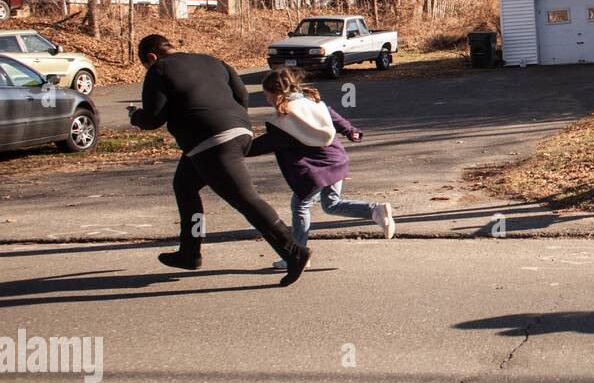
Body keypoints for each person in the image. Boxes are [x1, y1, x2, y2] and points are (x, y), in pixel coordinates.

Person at [128, 34, 311, 286]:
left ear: (151, 57)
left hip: (212, 143)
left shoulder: (159, 69)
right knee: (185, 186)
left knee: (246, 199)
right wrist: (231, 120)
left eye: (146, 65)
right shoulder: (214, 61)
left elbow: (153, 118)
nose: (148, 68)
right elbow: (242, 96)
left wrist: (135, 116)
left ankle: (294, 251)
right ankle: (190, 253)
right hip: (238, 132)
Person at [248, 67, 395, 264]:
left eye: (267, 95)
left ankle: (297, 255)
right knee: (332, 204)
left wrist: (234, 149)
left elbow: (264, 145)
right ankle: (376, 210)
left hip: (315, 170)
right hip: (337, 160)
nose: (266, 99)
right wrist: (351, 131)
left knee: (300, 207)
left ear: (276, 93)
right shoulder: (313, 103)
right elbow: (334, 117)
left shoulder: (284, 121)